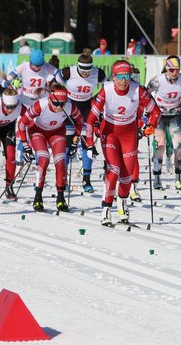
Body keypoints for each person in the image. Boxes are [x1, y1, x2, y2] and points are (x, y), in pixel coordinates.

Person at [87, 60, 159, 227]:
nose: (124, 81)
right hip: (110, 132)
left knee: (127, 176)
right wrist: (90, 143)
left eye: (127, 77)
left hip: (129, 134)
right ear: (114, 77)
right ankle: (106, 208)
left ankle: (122, 202)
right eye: (120, 77)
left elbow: (155, 111)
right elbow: (90, 119)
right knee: (114, 169)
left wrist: (151, 125)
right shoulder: (106, 90)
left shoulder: (138, 90)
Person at [16, 84, 82, 212]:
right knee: (44, 160)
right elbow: (22, 123)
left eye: (62, 104)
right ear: (50, 99)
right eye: (56, 104)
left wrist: (75, 141)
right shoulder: (41, 105)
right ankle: (38, 197)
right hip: (37, 132)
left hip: (57, 132)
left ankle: (60, 198)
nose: (59, 107)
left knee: (60, 162)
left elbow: (80, 121)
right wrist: (25, 145)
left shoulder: (69, 106)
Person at [55, 49, 106, 193]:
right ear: (78, 67)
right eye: (83, 71)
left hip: (86, 109)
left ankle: (87, 179)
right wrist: (60, 98)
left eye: (88, 71)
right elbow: (55, 85)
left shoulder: (98, 73)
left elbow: (108, 87)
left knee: (86, 143)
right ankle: (62, 178)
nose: (85, 74)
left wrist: (97, 100)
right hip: (70, 107)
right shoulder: (68, 72)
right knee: (67, 142)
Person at [147, 55, 181, 191]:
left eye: (177, 70)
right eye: (172, 70)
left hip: (175, 116)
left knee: (178, 147)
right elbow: (145, 94)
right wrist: (149, 110)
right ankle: (157, 178)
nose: (175, 73)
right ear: (166, 69)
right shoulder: (158, 80)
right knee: (160, 147)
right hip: (159, 116)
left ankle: (178, 179)